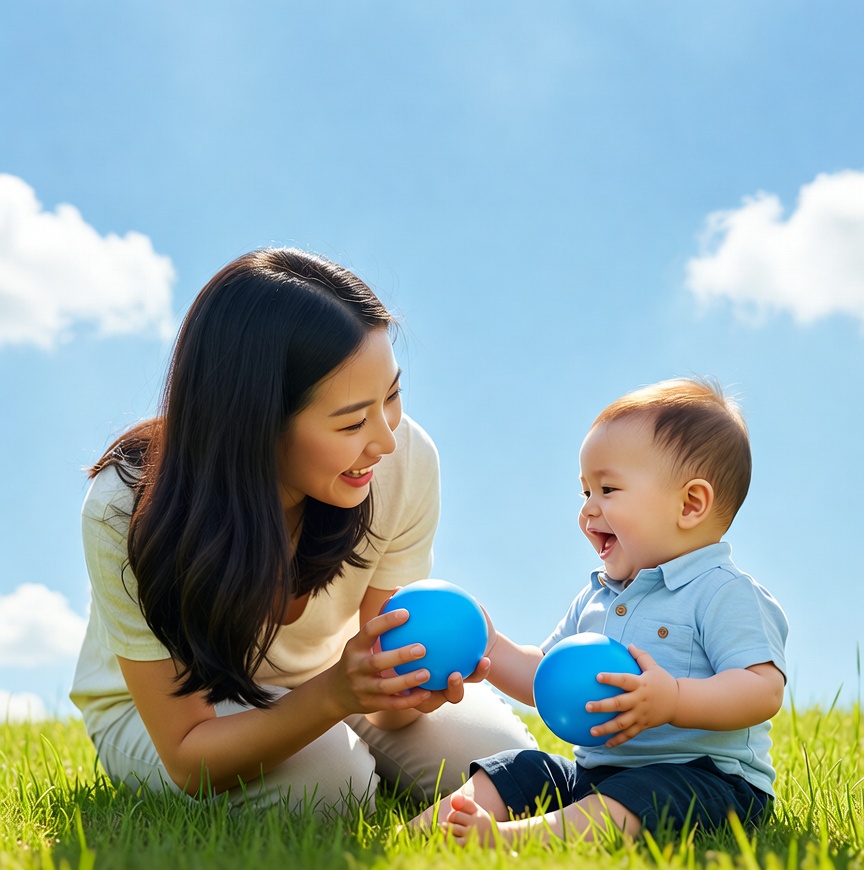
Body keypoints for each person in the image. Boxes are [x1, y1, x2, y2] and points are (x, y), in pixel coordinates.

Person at [70, 248, 534, 817]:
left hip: (333, 672)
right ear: (256, 421)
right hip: (173, 713)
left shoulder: (403, 458)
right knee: (330, 789)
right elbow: (189, 758)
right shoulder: (129, 507)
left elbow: (388, 698)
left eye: (391, 396)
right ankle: (347, 760)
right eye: (350, 421)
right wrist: (334, 696)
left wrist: (403, 688)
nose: (386, 440)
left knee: (501, 762)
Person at [410, 378, 787, 846]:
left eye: (607, 489)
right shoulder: (598, 596)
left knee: (644, 792)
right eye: (584, 491)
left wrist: (672, 699)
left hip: (707, 781)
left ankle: (515, 840)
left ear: (690, 504)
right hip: (598, 773)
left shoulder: (721, 592)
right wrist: (490, 646)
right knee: (524, 767)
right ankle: (423, 832)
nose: (588, 510)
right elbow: (542, 678)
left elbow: (761, 689)